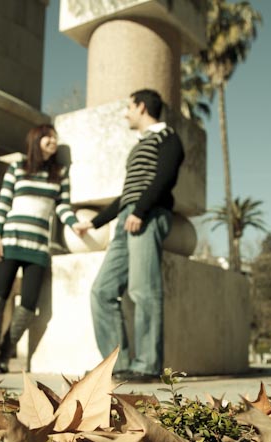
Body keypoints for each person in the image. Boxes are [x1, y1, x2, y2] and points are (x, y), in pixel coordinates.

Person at [75, 89, 185, 383]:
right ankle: (118, 363)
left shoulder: (168, 138)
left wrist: (142, 210)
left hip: (147, 216)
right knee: (102, 291)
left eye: (128, 107)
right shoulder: (139, 146)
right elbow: (127, 195)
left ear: (141, 107)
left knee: (143, 289)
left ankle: (148, 365)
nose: (125, 113)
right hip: (128, 218)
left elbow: (165, 178)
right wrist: (95, 223)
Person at [0, 124, 88, 374]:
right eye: (48, 137)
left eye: (55, 138)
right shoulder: (17, 168)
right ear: (36, 140)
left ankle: (4, 352)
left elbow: (63, 206)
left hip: (38, 246)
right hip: (11, 240)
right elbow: (3, 204)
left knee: (29, 305)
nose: (53, 141)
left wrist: (76, 225)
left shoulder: (59, 173)